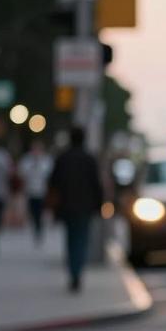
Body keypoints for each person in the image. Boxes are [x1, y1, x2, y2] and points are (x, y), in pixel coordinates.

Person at [47, 125, 104, 292]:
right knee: (81, 240)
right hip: (85, 207)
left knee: (71, 239)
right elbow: (96, 185)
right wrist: (99, 205)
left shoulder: (62, 158)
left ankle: (73, 272)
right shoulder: (89, 158)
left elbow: (53, 183)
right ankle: (77, 272)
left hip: (66, 206)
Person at [19, 139, 53, 244]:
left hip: (42, 192)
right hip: (30, 191)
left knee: (40, 213)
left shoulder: (46, 160)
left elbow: (49, 173)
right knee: (33, 212)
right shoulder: (27, 160)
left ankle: (39, 230)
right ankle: (35, 228)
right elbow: (22, 173)